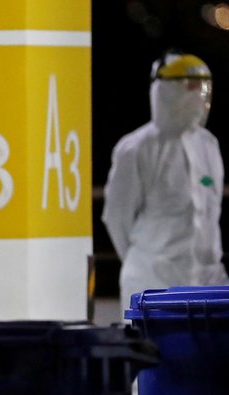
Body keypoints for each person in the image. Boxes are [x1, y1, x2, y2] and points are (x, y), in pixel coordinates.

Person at [103, 50, 229, 309]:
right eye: (190, 88)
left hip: (207, 283)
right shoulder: (136, 149)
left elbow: (209, 212)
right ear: (168, 91)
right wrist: (147, 260)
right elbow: (117, 217)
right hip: (153, 282)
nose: (198, 96)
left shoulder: (207, 145)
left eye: (202, 88)